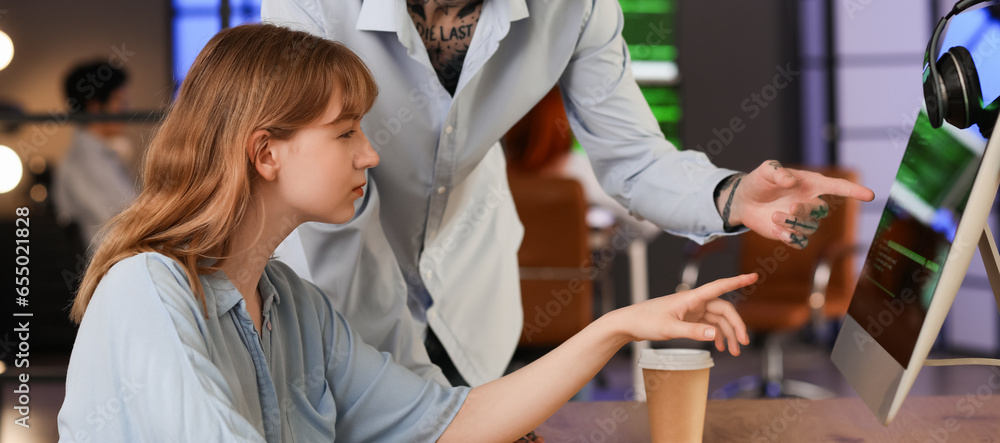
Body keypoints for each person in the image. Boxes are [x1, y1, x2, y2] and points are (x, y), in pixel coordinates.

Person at [261, 0, 874, 393]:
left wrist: (732, 196)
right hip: (335, 295)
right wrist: (401, 391)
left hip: (471, 302)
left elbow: (633, 159)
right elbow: (319, 196)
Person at [56, 23, 757, 442]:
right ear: (266, 152)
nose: (369, 153)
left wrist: (619, 326)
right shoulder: (147, 292)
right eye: (344, 132)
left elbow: (451, 422)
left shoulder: (295, 305)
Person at [52, 59, 138, 251]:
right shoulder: (84, 162)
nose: (127, 109)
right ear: (94, 107)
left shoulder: (101, 155)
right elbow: (124, 224)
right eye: (120, 101)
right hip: (114, 266)